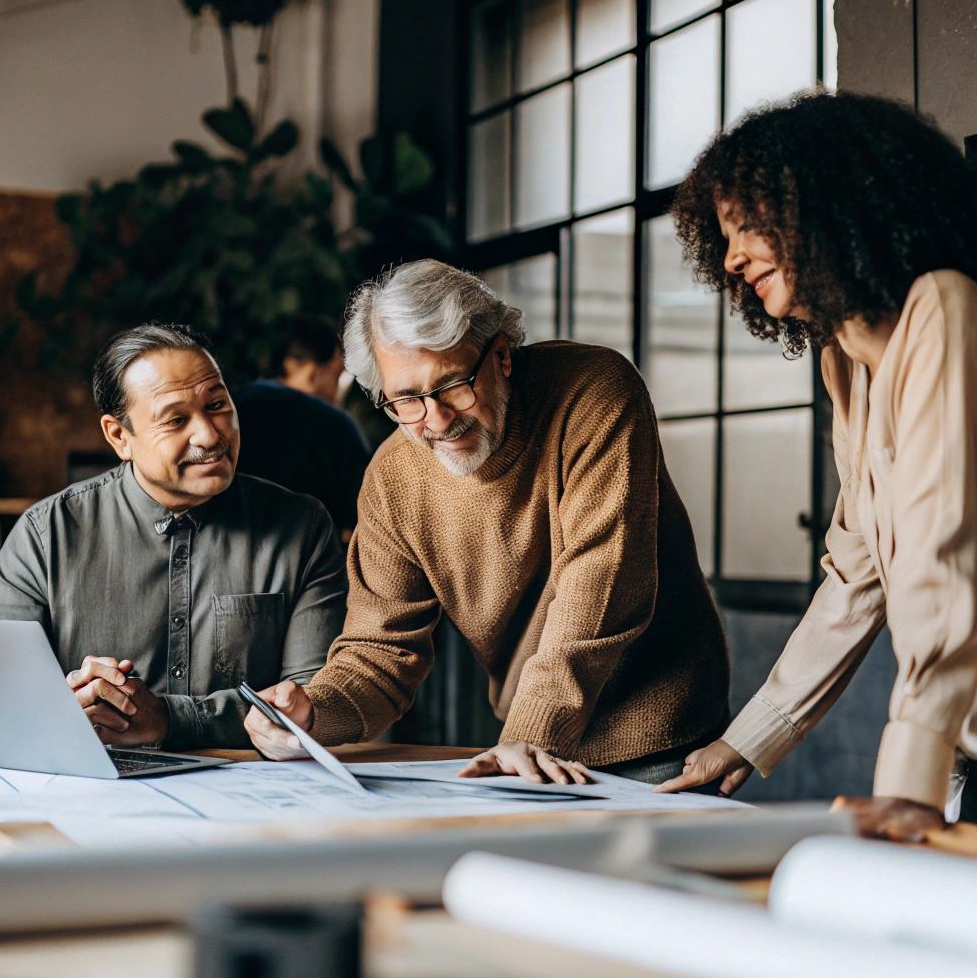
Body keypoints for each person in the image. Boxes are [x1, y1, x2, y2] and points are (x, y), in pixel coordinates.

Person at [242, 259, 730, 786]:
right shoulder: (392, 478)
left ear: (501, 355)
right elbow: (380, 649)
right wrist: (312, 711)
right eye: (406, 399)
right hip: (529, 741)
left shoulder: (594, 392)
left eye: (452, 385)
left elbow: (601, 586)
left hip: (659, 733)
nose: (437, 420)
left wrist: (531, 730)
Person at [654, 91, 977, 840]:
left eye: (749, 228)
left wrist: (910, 784)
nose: (731, 259)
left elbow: (942, 556)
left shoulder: (945, 310)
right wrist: (750, 736)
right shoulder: (845, 361)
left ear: (830, 205)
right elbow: (857, 569)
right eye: (724, 236)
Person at [0, 323, 347, 750]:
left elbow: (312, 698)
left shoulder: (301, 527)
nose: (210, 435)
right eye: (176, 420)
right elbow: (2, 708)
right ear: (120, 436)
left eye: (217, 405)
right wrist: (70, 709)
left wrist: (172, 720)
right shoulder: (43, 538)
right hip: (94, 797)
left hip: (254, 798)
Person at [232, 316, 371, 539]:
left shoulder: (230, 408)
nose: (339, 388)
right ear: (310, 370)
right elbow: (360, 524)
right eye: (337, 375)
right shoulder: (336, 426)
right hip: (314, 561)